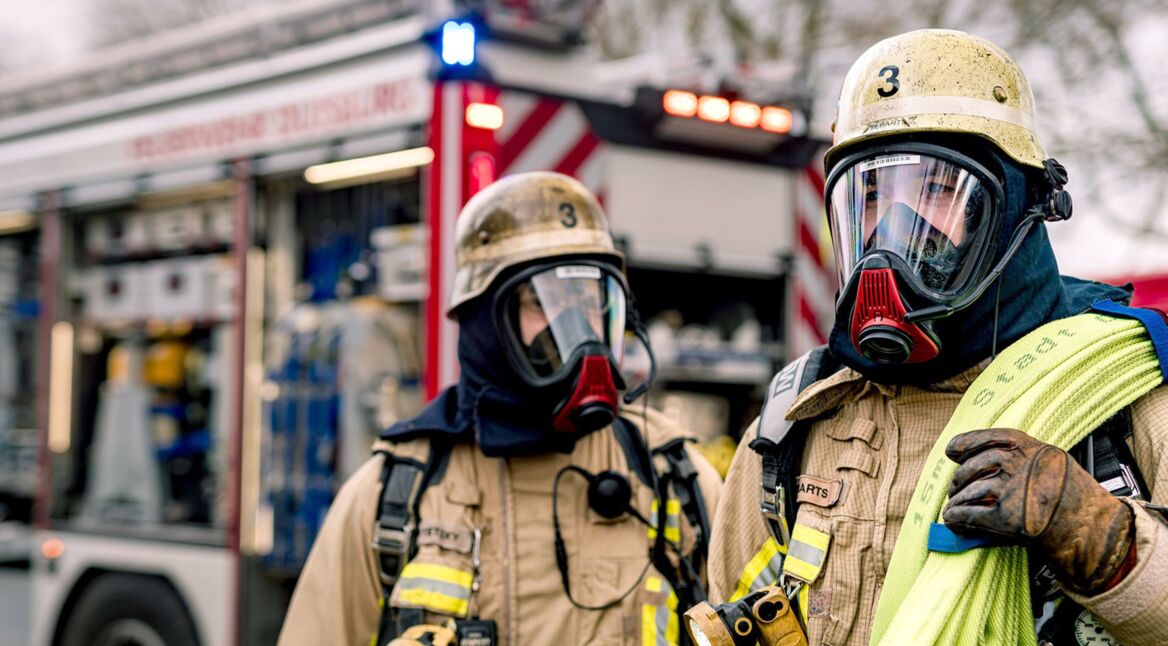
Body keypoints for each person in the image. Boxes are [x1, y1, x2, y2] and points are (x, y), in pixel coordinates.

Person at [703, 29, 1168, 645]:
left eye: (938, 191)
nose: (890, 232)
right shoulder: (797, 419)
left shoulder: (1123, 396)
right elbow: (735, 608)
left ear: (1015, 208)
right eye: (869, 197)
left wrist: (1099, 536)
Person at [279, 171, 722, 646]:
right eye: (543, 303)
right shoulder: (389, 497)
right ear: (485, 323)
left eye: (589, 301)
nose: (578, 330)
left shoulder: (676, 478)